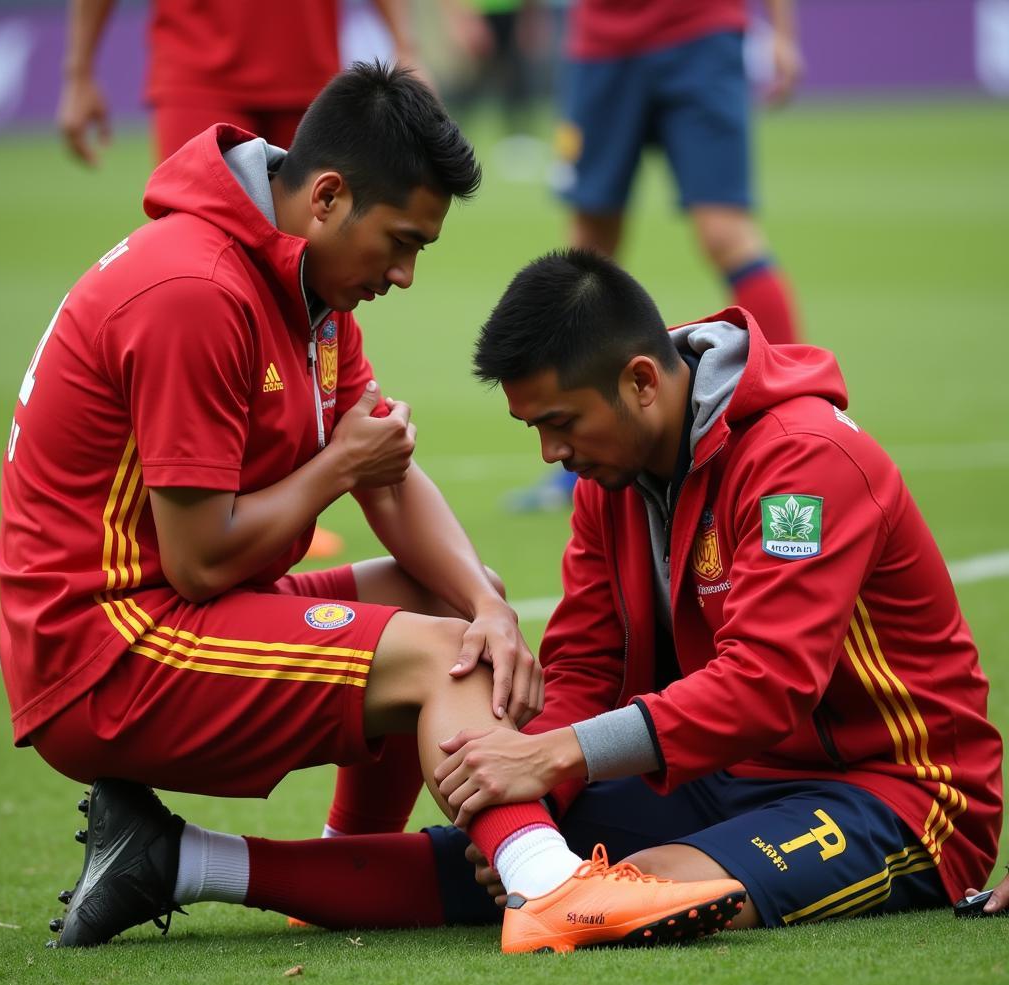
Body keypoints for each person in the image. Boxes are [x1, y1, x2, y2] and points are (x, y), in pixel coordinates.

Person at [0, 66, 744, 955]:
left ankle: (340, 872)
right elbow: (202, 557)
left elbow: (384, 470)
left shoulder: (296, 278)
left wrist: (489, 604)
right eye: (399, 242)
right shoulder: (194, 291)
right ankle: (549, 886)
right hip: (105, 653)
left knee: (453, 607)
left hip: (170, 611)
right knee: (442, 657)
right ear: (326, 197)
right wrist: (336, 466)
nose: (405, 273)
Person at [264, 248, 1001, 933]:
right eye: (535, 430)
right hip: (716, 770)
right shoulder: (609, 477)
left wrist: (556, 756)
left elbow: (767, 684)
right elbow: (587, 667)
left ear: (642, 382)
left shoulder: (805, 462)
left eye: (560, 424)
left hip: (891, 790)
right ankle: (197, 865)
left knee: (623, 896)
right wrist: (533, 803)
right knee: (503, 861)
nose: (553, 454)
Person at [508, 0, 803, 511]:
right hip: (601, 42)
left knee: (725, 232)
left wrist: (780, 31)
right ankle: (581, 452)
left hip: (701, 29)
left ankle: (798, 422)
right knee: (588, 245)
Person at [57, 0, 421, 164]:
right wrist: (78, 73)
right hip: (198, 71)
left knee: (319, 268)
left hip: (309, 75)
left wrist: (406, 46)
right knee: (195, 249)